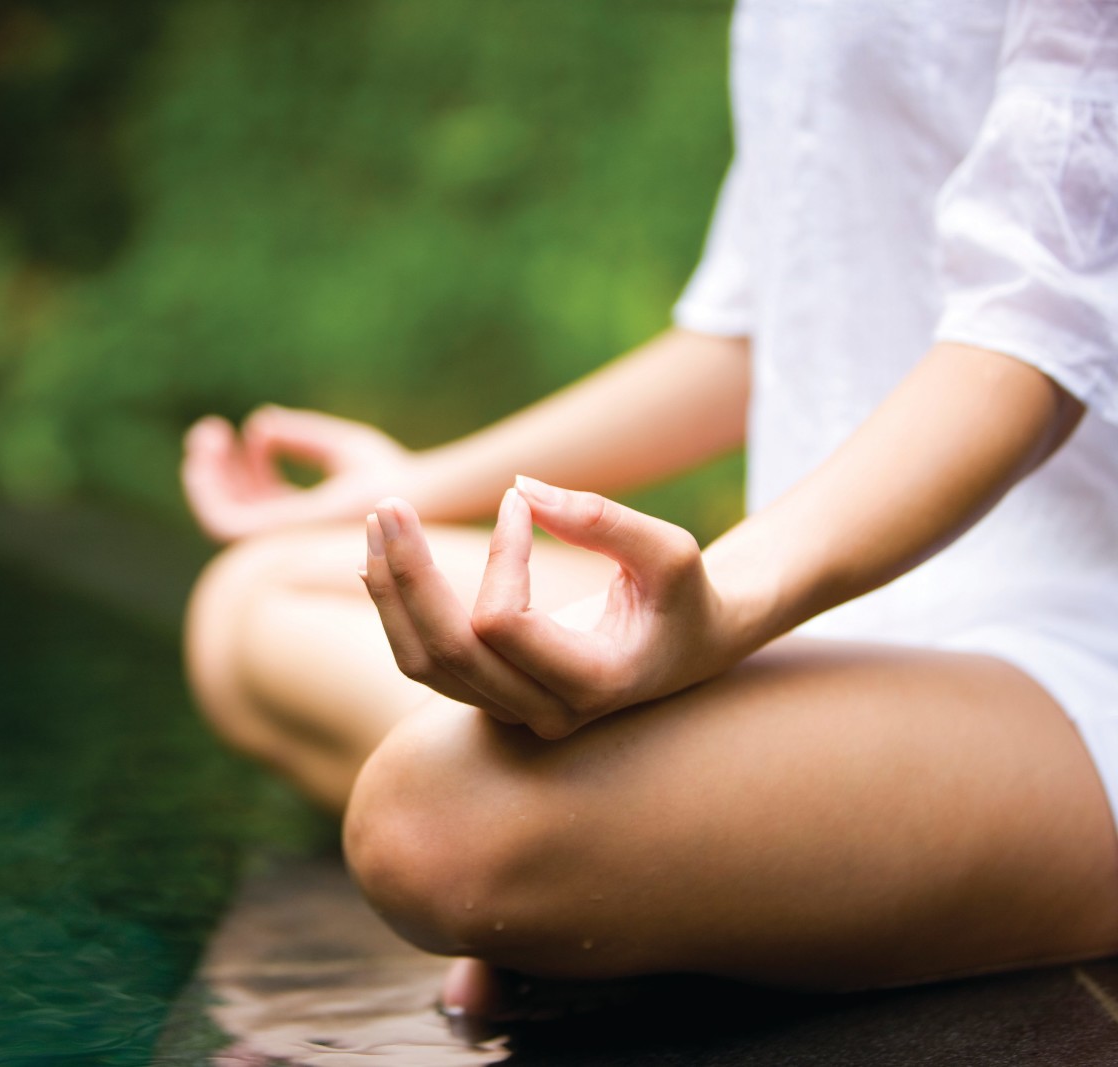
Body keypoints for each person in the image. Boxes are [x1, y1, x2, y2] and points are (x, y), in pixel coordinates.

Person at [180, 0, 1118, 1019]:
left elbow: (1033, 343)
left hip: (1068, 647)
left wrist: (726, 605)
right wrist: (411, 487)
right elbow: (754, 328)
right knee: (253, 595)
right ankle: (673, 856)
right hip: (832, 602)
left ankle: (638, 856)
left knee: (436, 823)